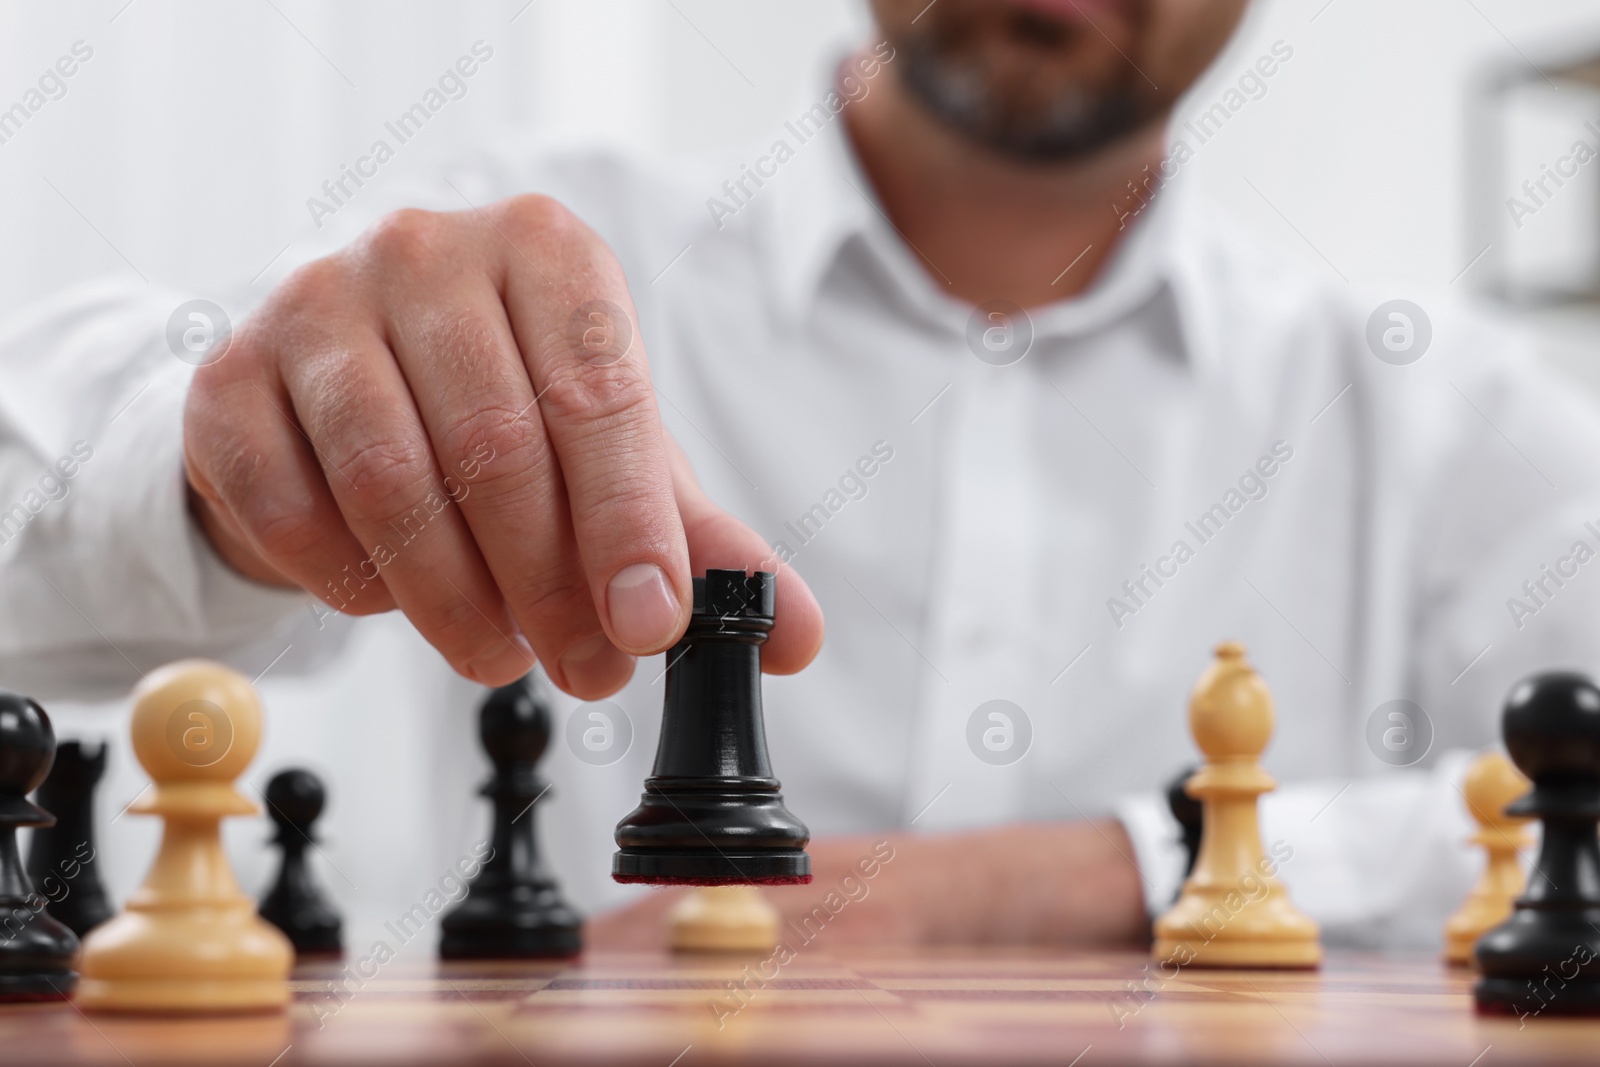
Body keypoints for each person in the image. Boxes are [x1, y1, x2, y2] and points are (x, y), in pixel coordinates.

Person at [4, 0, 1598, 950]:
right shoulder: (522, 236)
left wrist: (1088, 871)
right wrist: (237, 474)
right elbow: (41, 519)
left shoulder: (1435, 407)